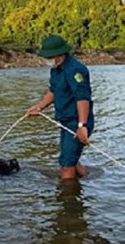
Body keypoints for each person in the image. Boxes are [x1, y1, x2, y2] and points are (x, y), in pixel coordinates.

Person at [26, 34, 94, 179]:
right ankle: (89, 178)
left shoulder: (76, 70)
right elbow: (53, 91)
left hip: (77, 122)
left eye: (48, 56)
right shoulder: (56, 70)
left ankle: (67, 197)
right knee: (68, 158)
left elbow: (83, 98)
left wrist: (82, 126)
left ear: (58, 54)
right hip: (65, 121)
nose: (46, 59)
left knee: (66, 165)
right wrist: (39, 107)